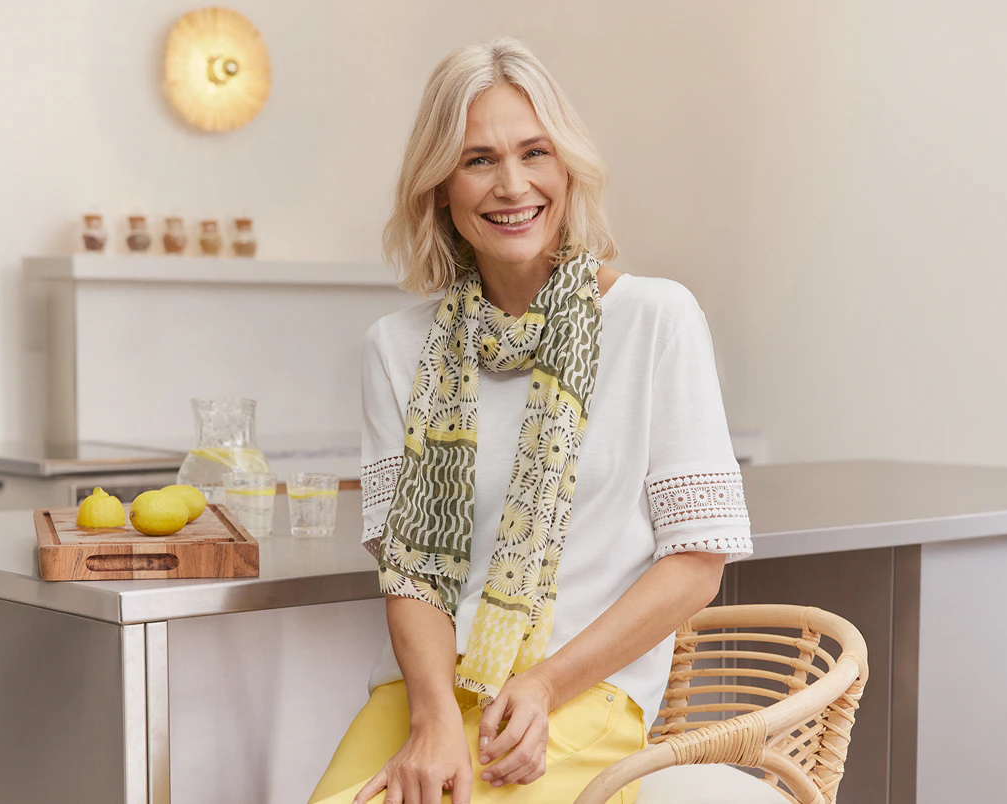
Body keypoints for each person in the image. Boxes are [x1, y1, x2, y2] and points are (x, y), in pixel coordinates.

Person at [308, 37, 752, 804]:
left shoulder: (656, 319)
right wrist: (433, 714)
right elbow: (411, 574)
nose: (512, 185)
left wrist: (545, 685)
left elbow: (697, 565)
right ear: (440, 186)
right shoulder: (397, 349)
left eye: (534, 152)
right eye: (478, 159)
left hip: (582, 693)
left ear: (567, 167)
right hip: (430, 697)